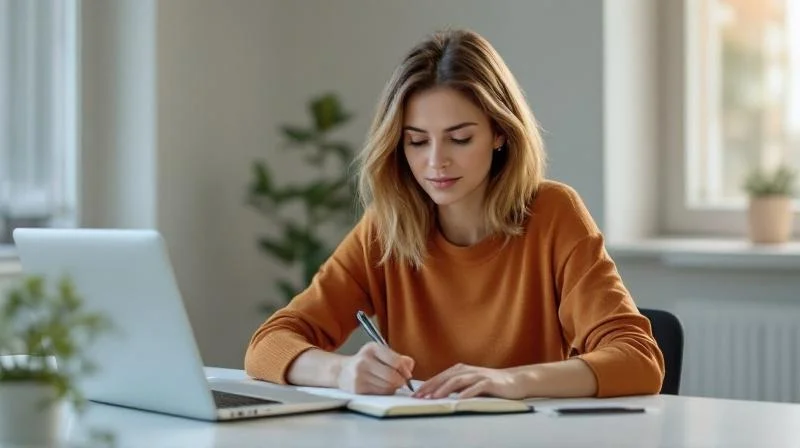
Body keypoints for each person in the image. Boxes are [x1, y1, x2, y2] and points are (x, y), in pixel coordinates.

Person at [244, 28, 664, 400]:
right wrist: (342, 371)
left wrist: (512, 381)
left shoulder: (554, 214)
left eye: (459, 139)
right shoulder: (387, 225)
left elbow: (638, 360)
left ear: (500, 132)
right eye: (417, 141)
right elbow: (268, 345)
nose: (435, 162)